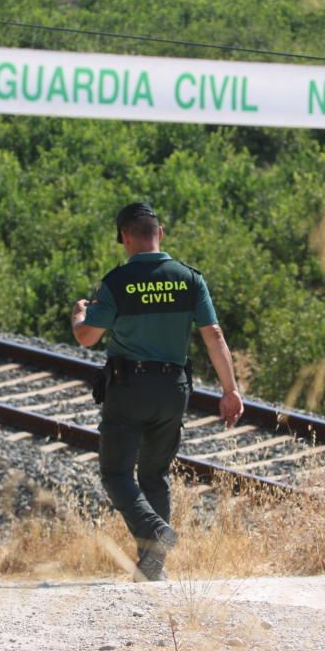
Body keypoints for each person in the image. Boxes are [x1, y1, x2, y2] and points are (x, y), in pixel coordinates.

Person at [71, 202, 244, 581]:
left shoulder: (116, 282)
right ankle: (153, 569)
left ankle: (153, 530)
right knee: (155, 474)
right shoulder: (188, 278)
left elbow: (87, 338)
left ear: (125, 237)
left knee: (116, 474)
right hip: (173, 388)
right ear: (160, 233)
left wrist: (79, 314)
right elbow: (213, 335)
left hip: (129, 387)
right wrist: (230, 390)